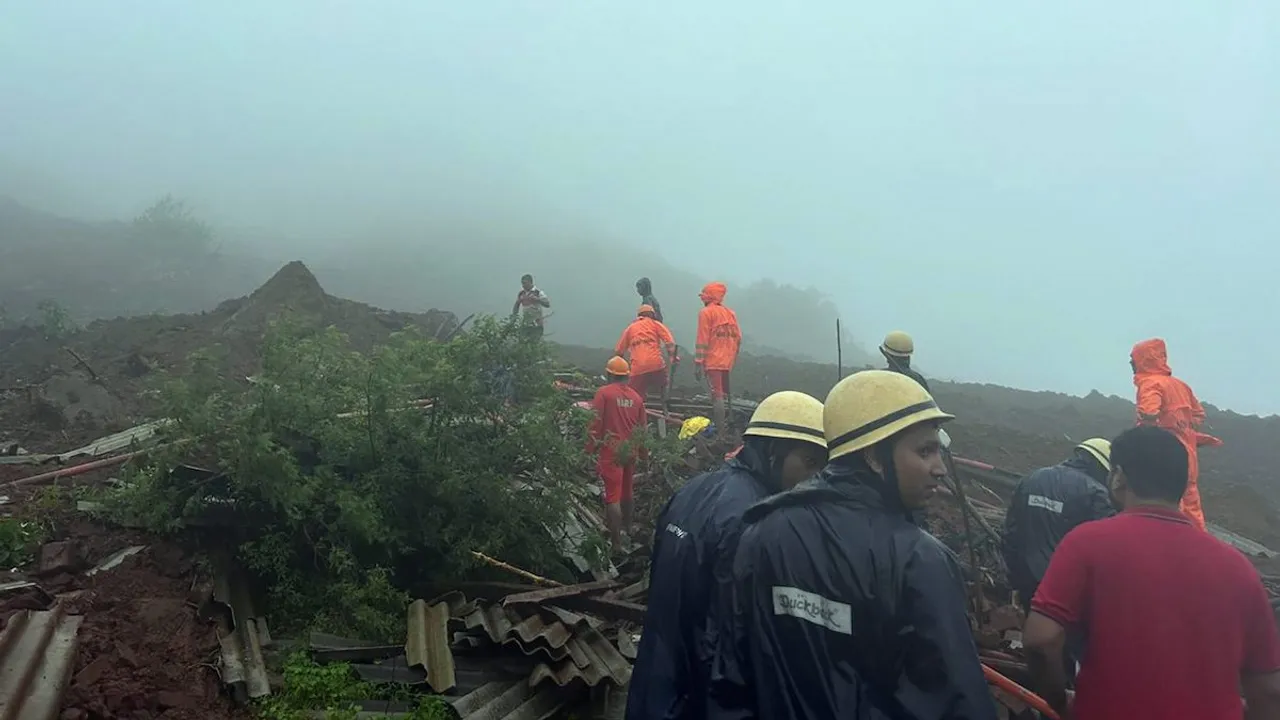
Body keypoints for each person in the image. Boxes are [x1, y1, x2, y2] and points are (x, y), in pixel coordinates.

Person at [707, 370, 997, 720]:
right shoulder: (919, 561)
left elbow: (730, 677)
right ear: (874, 456)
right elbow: (958, 704)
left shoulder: (761, 531)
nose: (940, 469)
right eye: (925, 451)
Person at [1024, 426, 1280, 720]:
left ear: (1118, 477)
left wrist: (1059, 703)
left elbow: (1041, 640)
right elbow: (1270, 691)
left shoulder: (1087, 544)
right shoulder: (1238, 568)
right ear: (1182, 486)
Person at [627, 391, 828, 720]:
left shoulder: (693, 489)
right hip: (698, 696)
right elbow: (726, 639)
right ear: (774, 451)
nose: (816, 477)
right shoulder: (755, 521)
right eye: (809, 462)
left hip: (656, 677)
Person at [1001, 438, 1115, 613]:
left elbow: (1011, 532)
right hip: (1065, 589)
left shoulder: (1033, 478)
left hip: (1026, 579)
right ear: (1100, 466)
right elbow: (1105, 548)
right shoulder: (1096, 492)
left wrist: (1015, 576)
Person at [1130, 337, 1221, 530]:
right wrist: (1184, 429)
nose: (1131, 364)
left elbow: (1148, 414)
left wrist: (1146, 434)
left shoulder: (1150, 384)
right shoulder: (1181, 386)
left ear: (1144, 360)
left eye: (1133, 360)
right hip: (1188, 457)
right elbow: (1197, 415)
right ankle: (1197, 545)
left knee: (1165, 505)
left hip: (1165, 455)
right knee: (1192, 508)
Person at [586, 356, 647, 552]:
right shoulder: (637, 398)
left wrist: (588, 450)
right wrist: (644, 456)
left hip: (611, 451)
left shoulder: (604, 394)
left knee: (613, 497)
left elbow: (595, 424)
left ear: (609, 374)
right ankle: (628, 529)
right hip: (630, 452)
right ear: (627, 376)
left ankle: (616, 545)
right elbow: (642, 431)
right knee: (627, 492)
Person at [694, 282, 741, 435]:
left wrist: (698, 363)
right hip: (728, 361)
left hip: (713, 360)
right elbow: (738, 338)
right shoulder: (730, 313)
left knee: (717, 396)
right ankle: (730, 422)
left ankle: (720, 432)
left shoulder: (706, 313)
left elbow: (702, 340)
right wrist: (732, 356)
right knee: (726, 394)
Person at [615, 304, 677, 400]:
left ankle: (638, 406)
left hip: (637, 369)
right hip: (656, 365)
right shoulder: (655, 324)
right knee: (663, 384)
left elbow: (619, 351)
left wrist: (619, 370)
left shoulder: (630, 329)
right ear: (652, 315)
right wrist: (673, 357)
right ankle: (663, 401)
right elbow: (669, 342)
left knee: (633, 395)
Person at [511, 274, 551, 341]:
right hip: (525, 323)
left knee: (534, 342)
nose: (523, 285)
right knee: (522, 342)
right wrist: (514, 317)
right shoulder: (521, 294)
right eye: (522, 283)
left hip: (536, 324)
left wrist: (537, 300)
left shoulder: (538, 292)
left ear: (530, 282)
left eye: (525, 283)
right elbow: (516, 305)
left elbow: (547, 304)